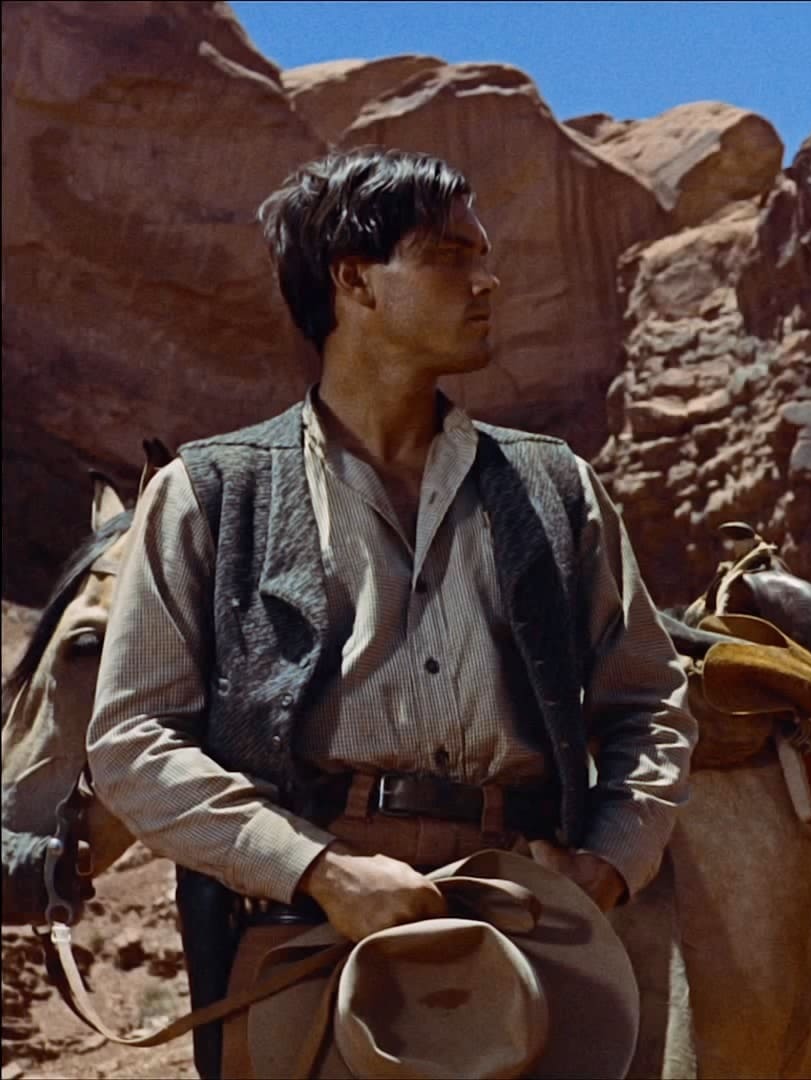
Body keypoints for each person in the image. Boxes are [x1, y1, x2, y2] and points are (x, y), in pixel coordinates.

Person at [86, 146, 697, 1077]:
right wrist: (320, 870)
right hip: (304, 929)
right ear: (354, 280)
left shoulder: (557, 487)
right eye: (450, 255)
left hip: (526, 924)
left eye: (483, 255)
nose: (487, 280)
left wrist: (608, 864)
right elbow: (133, 739)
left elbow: (648, 700)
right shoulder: (211, 493)